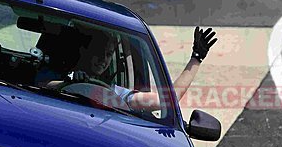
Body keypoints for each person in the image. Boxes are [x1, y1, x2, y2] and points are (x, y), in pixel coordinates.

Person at [42, 26, 218, 112]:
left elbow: (166, 101)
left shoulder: (117, 95)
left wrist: (196, 58)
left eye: (108, 53)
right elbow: (38, 87)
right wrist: (69, 84)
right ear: (83, 50)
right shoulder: (61, 77)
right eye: (97, 51)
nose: (103, 59)